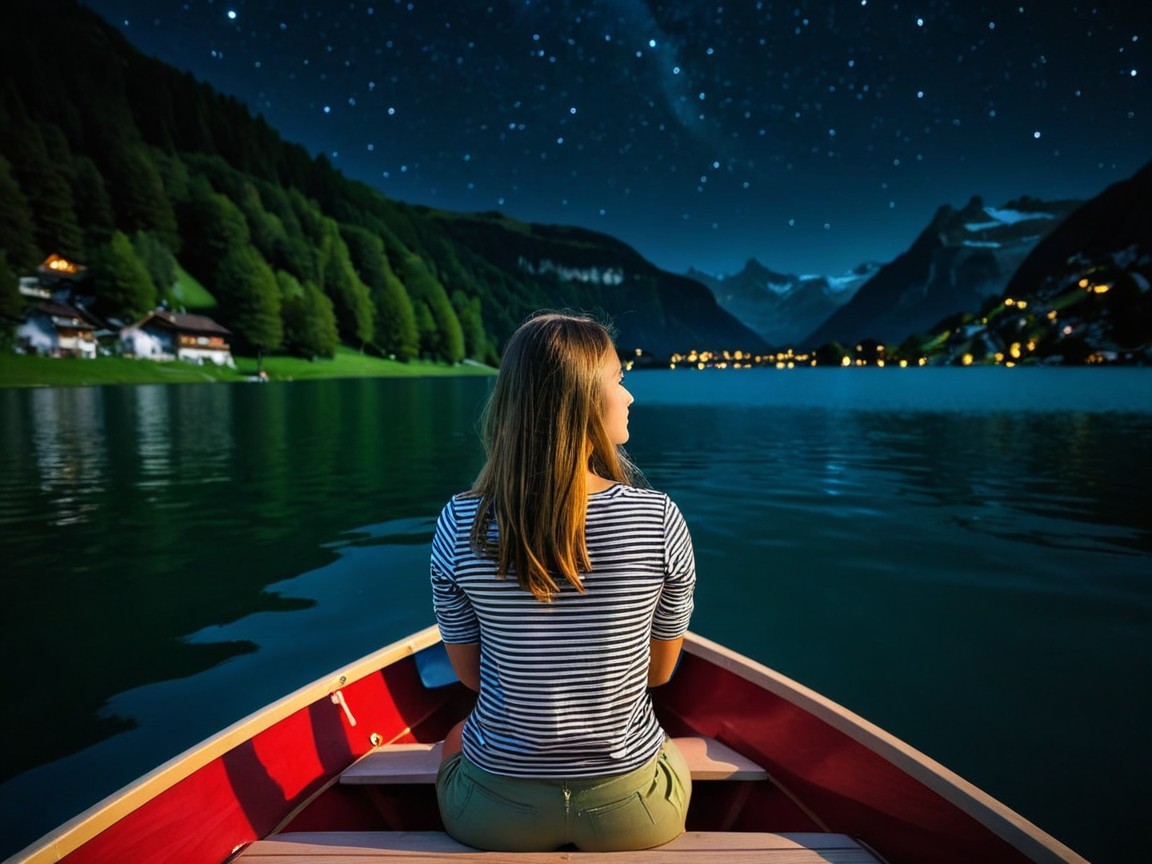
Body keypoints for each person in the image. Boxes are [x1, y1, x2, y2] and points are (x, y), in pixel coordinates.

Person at [430, 310, 697, 852]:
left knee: (454, 739)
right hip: (634, 814)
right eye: (619, 380)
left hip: (492, 817)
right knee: (669, 754)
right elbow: (659, 674)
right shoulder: (657, 518)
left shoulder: (459, 524)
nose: (630, 397)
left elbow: (473, 679)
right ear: (580, 400)